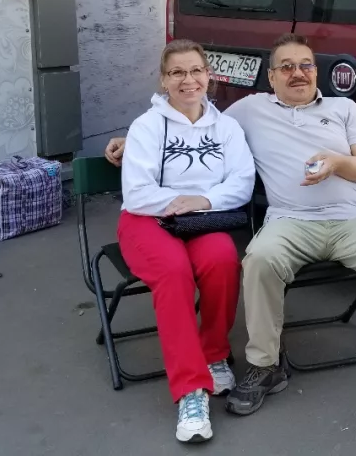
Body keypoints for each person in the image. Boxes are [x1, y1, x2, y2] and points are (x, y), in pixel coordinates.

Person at [105, 34, 356, 436]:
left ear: (316, 71)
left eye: (305, 65)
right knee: (258, 260)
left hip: (352, 219)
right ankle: (263, 366)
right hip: (288, 221)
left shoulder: (344, 108)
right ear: (272, 77)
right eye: (286, 66)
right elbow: (191, 113)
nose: (297, 73)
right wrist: (133, 140)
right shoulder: (250, 110)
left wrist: (337, 163)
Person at [116, 39, 255, 444]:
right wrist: (180, 202)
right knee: (174, 272)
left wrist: (203, 201)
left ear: (209, 76)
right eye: (177, 72)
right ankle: (191, 390)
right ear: (164, 80)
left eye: (195, 70)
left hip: (202, 217)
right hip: (147, 220)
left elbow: (242, 182)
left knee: (223, 260)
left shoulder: (226, 127)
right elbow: (136, 194)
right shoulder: (146, 127)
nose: (188, 80)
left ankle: (214, 354)